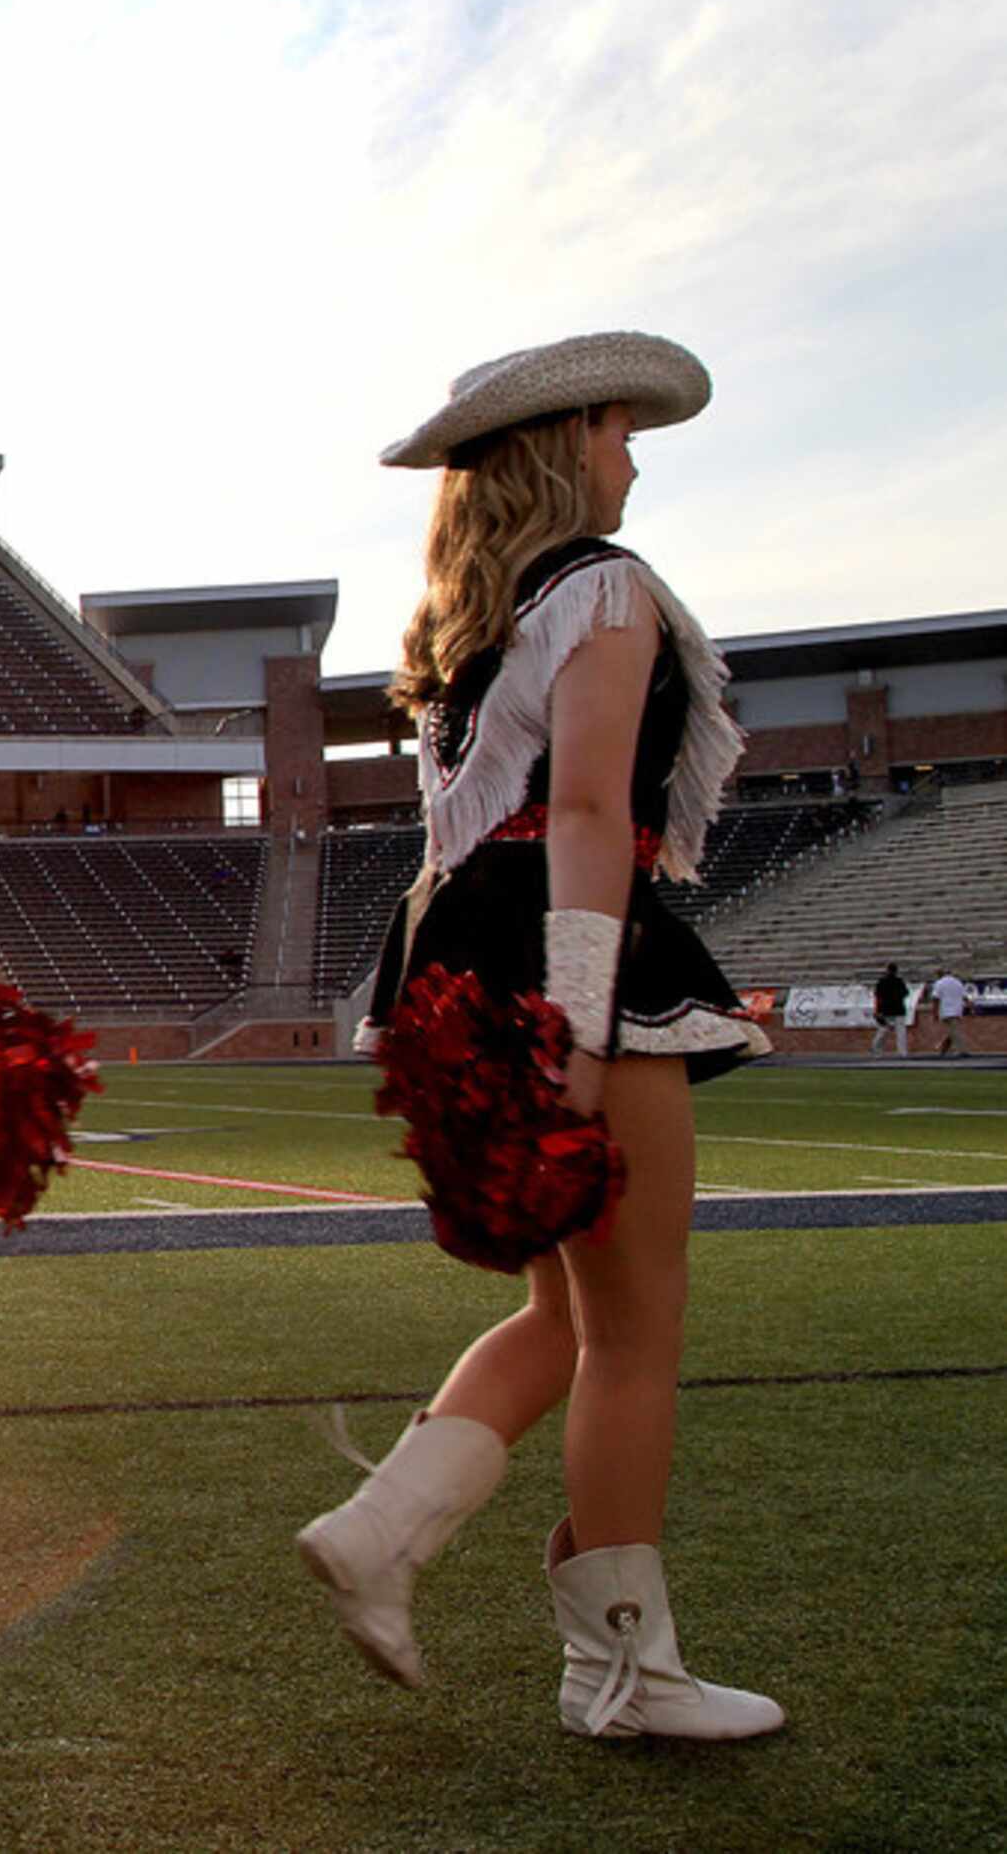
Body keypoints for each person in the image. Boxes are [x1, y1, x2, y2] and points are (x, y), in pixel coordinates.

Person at [307, 332, 781, 1741]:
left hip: (457, 947)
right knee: (634, 1327)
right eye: (619, 431)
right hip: (561, 944)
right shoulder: (601, 587)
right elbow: (582, 813)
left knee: (565, 1310)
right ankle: (621, 1668)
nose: (631, 456)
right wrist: (577, 1015)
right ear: (565, 441)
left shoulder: (471, 619)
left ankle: (384, 1528)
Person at [929, 964, 971, 1055]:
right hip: (958, 1010)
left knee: (954, 1032)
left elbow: (935, 999)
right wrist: (970, 1007)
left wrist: (934, 1013)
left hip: (946, 1010)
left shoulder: (939, 983)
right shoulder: (957, 982)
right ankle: (943, 1050)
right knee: (952, 1031)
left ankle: (962, 1050)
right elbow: (965, 997)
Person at [871, 963, 911, 1056]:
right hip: (899, 1009)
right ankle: (902, 1052)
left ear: (887, 970)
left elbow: (877, 997)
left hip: (885, 1010)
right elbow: (906, 993)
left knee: (882, 1031)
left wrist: (877, 1010)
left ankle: (876, 1051)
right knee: (901, 1033)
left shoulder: (882, 981)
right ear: (896, 971)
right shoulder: (899, 981)